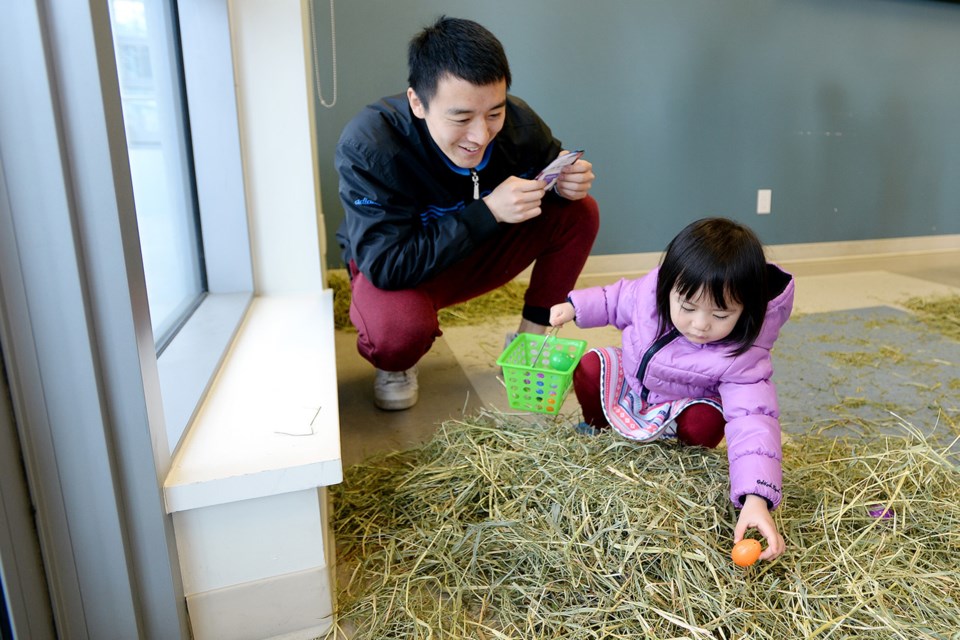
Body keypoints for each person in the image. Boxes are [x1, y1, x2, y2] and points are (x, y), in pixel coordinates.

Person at [335, 16, 599, 410]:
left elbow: (553, 191)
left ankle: (531, 340)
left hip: (476, 253)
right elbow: (387, 264)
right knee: (396, 336)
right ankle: (396, 365)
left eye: (495, 112)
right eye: (461, 118)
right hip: (401, 270)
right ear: (417, 103)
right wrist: (488, 210)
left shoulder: (521, 124)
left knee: (580, 212)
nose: (481, 134)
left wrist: (566, 185)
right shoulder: (371, 145)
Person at [549, 218, 793, 561]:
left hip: (682, 405)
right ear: (669, 287)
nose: (700, 324)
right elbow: (614, 298)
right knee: (591, 366)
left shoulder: (743, 354)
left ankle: (677, 456)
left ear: (746, 309)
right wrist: (577, 307)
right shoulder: (650, 293)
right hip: (635, 388)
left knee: (706, 422)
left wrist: (756, 498)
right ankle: (598, 427)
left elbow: (754, 419)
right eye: (688, 307)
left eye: (721, 314)